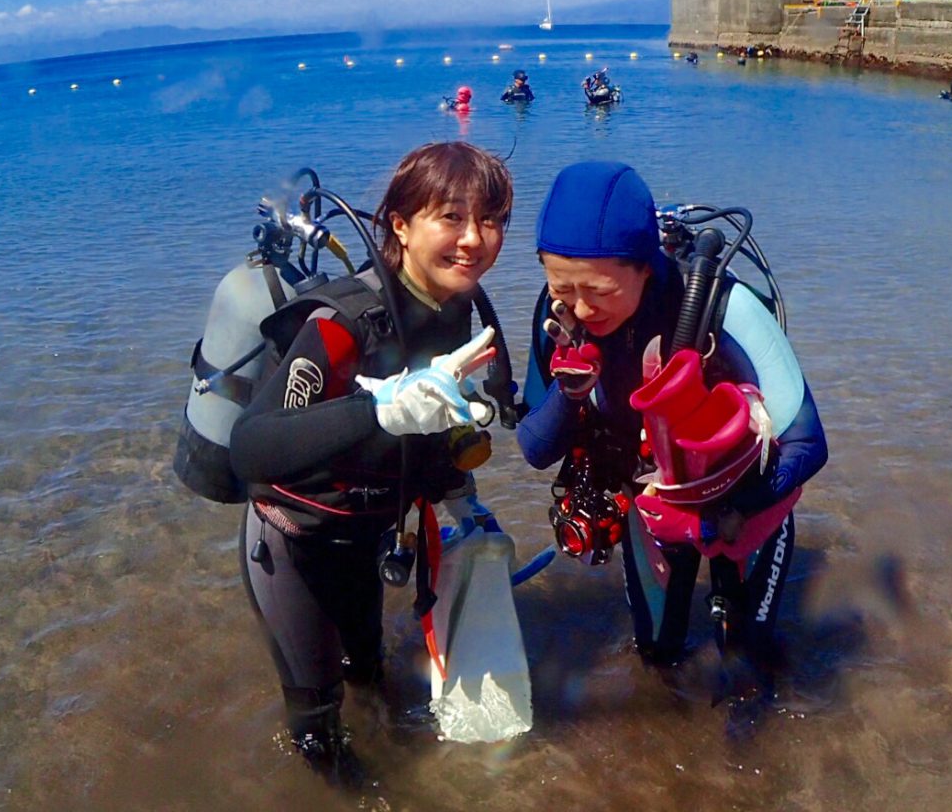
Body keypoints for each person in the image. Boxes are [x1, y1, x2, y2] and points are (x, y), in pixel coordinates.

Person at [230, 141, 512, 786]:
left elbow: (434, 433)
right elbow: (253, 445)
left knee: (371, 672)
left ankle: (401, 763)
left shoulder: (457, 309)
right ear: (401, 226)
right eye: (451, 217)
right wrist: (377, 414)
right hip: (294, 542)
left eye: (491, 220)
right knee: (316, 717)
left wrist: (462, 503)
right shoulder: (343, 324)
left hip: (369, 537)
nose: (474, 239)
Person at [516, 161, 827, 723]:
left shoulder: (724, 307)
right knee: (657, 658)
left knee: (748, 661)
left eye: (599, 290)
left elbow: (809, 443)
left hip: (745, 508)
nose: (579, 308)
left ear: (644, 267)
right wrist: (569, 394)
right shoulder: (558, 315)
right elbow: (535, 449)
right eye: (562, 287)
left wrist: (734, 508)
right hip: (652, 510)